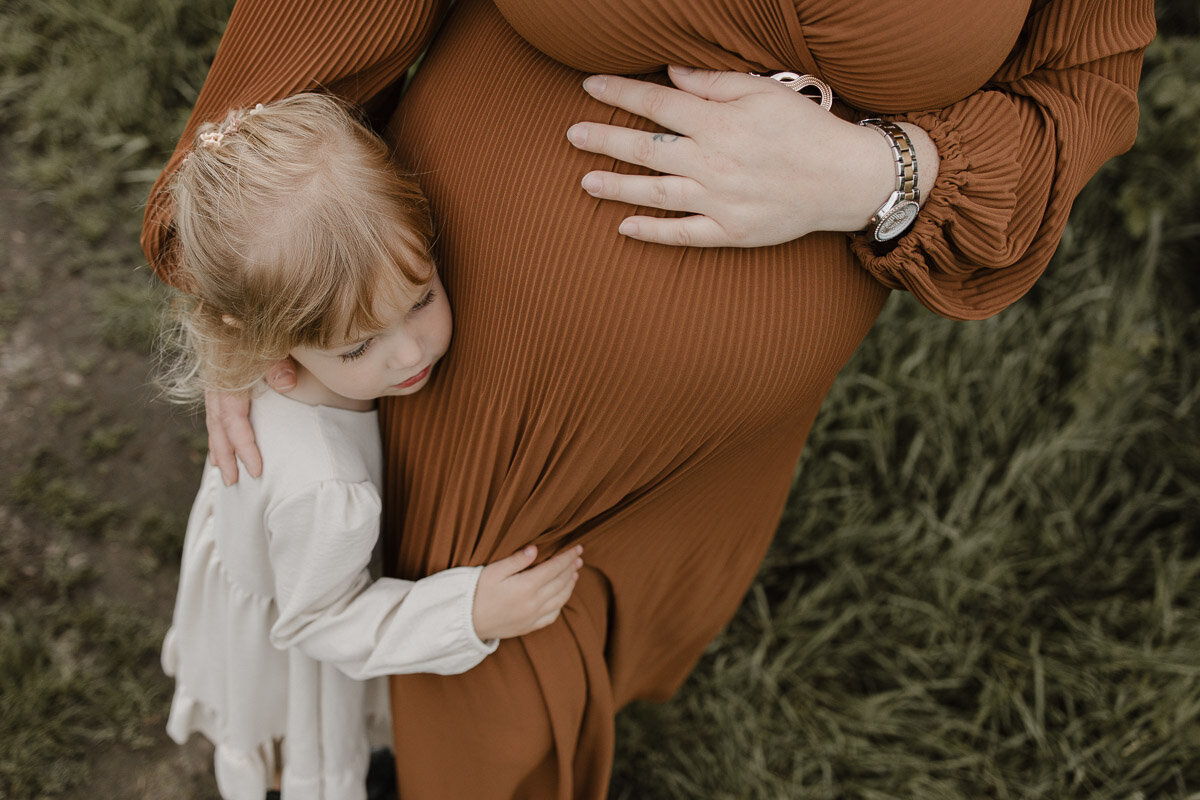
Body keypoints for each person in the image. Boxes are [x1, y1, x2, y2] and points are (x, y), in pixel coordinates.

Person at [142, 2, 1156, 797]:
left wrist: (878, 172)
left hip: (713, 443)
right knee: (470, 669)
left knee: (578, 641)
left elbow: (1084, 82)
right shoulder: (385, 347)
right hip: (482, 379)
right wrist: (226, 267)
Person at [156, 92, 583, 800]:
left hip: (272, 563)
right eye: (359, 346)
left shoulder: (279, 356)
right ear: (266, 339)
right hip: (298, 628)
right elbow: (321, 619)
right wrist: (469, 613)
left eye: (420, 298)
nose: (410, 352)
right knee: (298, 748)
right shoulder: (326, 488)